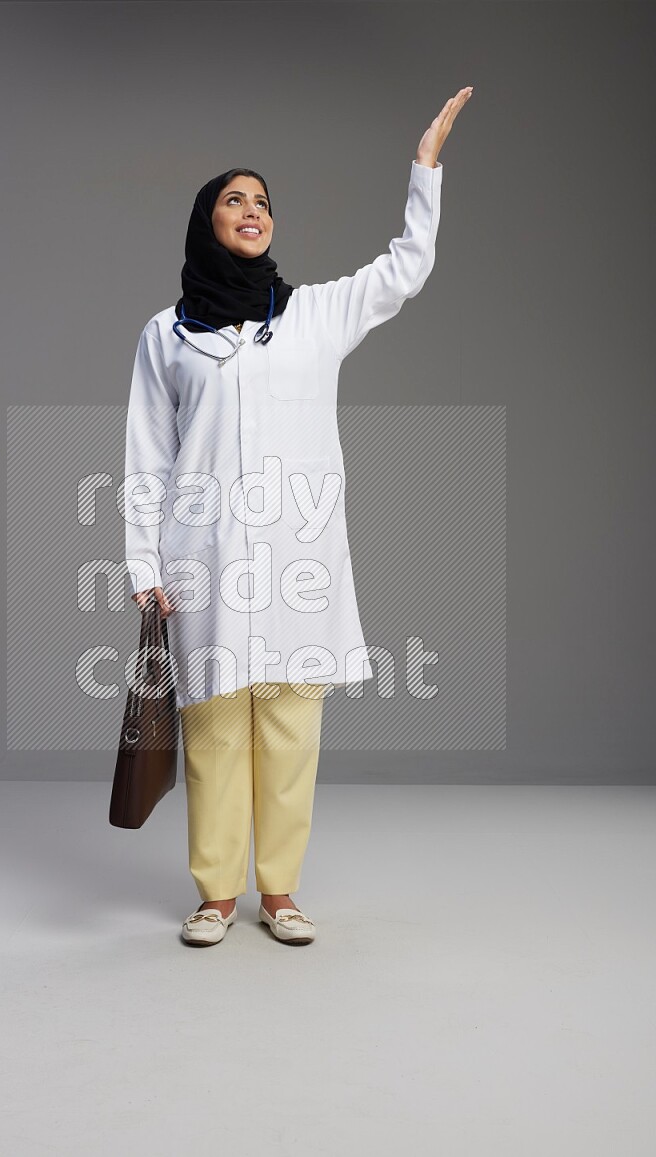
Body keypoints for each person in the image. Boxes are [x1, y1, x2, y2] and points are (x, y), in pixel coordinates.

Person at [124, 87, 473, 946]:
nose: (252, 211)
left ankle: (277, 890)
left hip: (298, 559)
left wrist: (424, 167)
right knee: (212, 731)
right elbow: (146, 456)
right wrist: (144, 565)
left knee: (289, 726)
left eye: (263, 202)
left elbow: (404, 269)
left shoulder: (313, 315)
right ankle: (215, 892)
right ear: (207, 221)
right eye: (234, 200)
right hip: (202, 557)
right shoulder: (168, 334)